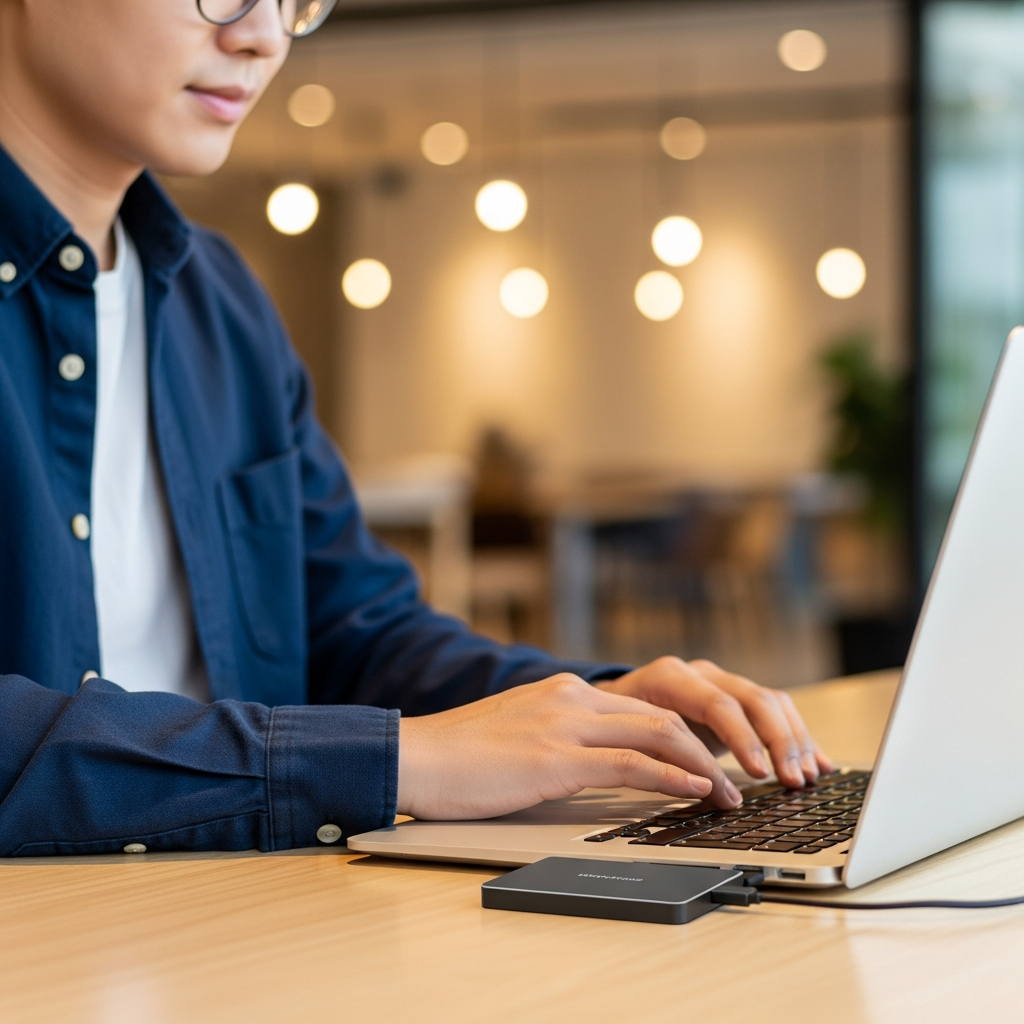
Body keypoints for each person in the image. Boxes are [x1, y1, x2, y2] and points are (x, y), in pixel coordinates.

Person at [0, 0, 831, 857]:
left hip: (240, 931)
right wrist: (393, 760)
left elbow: (354, 633)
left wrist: (602, 708)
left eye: (295, 3)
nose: (262, 36)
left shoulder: (224, 303)